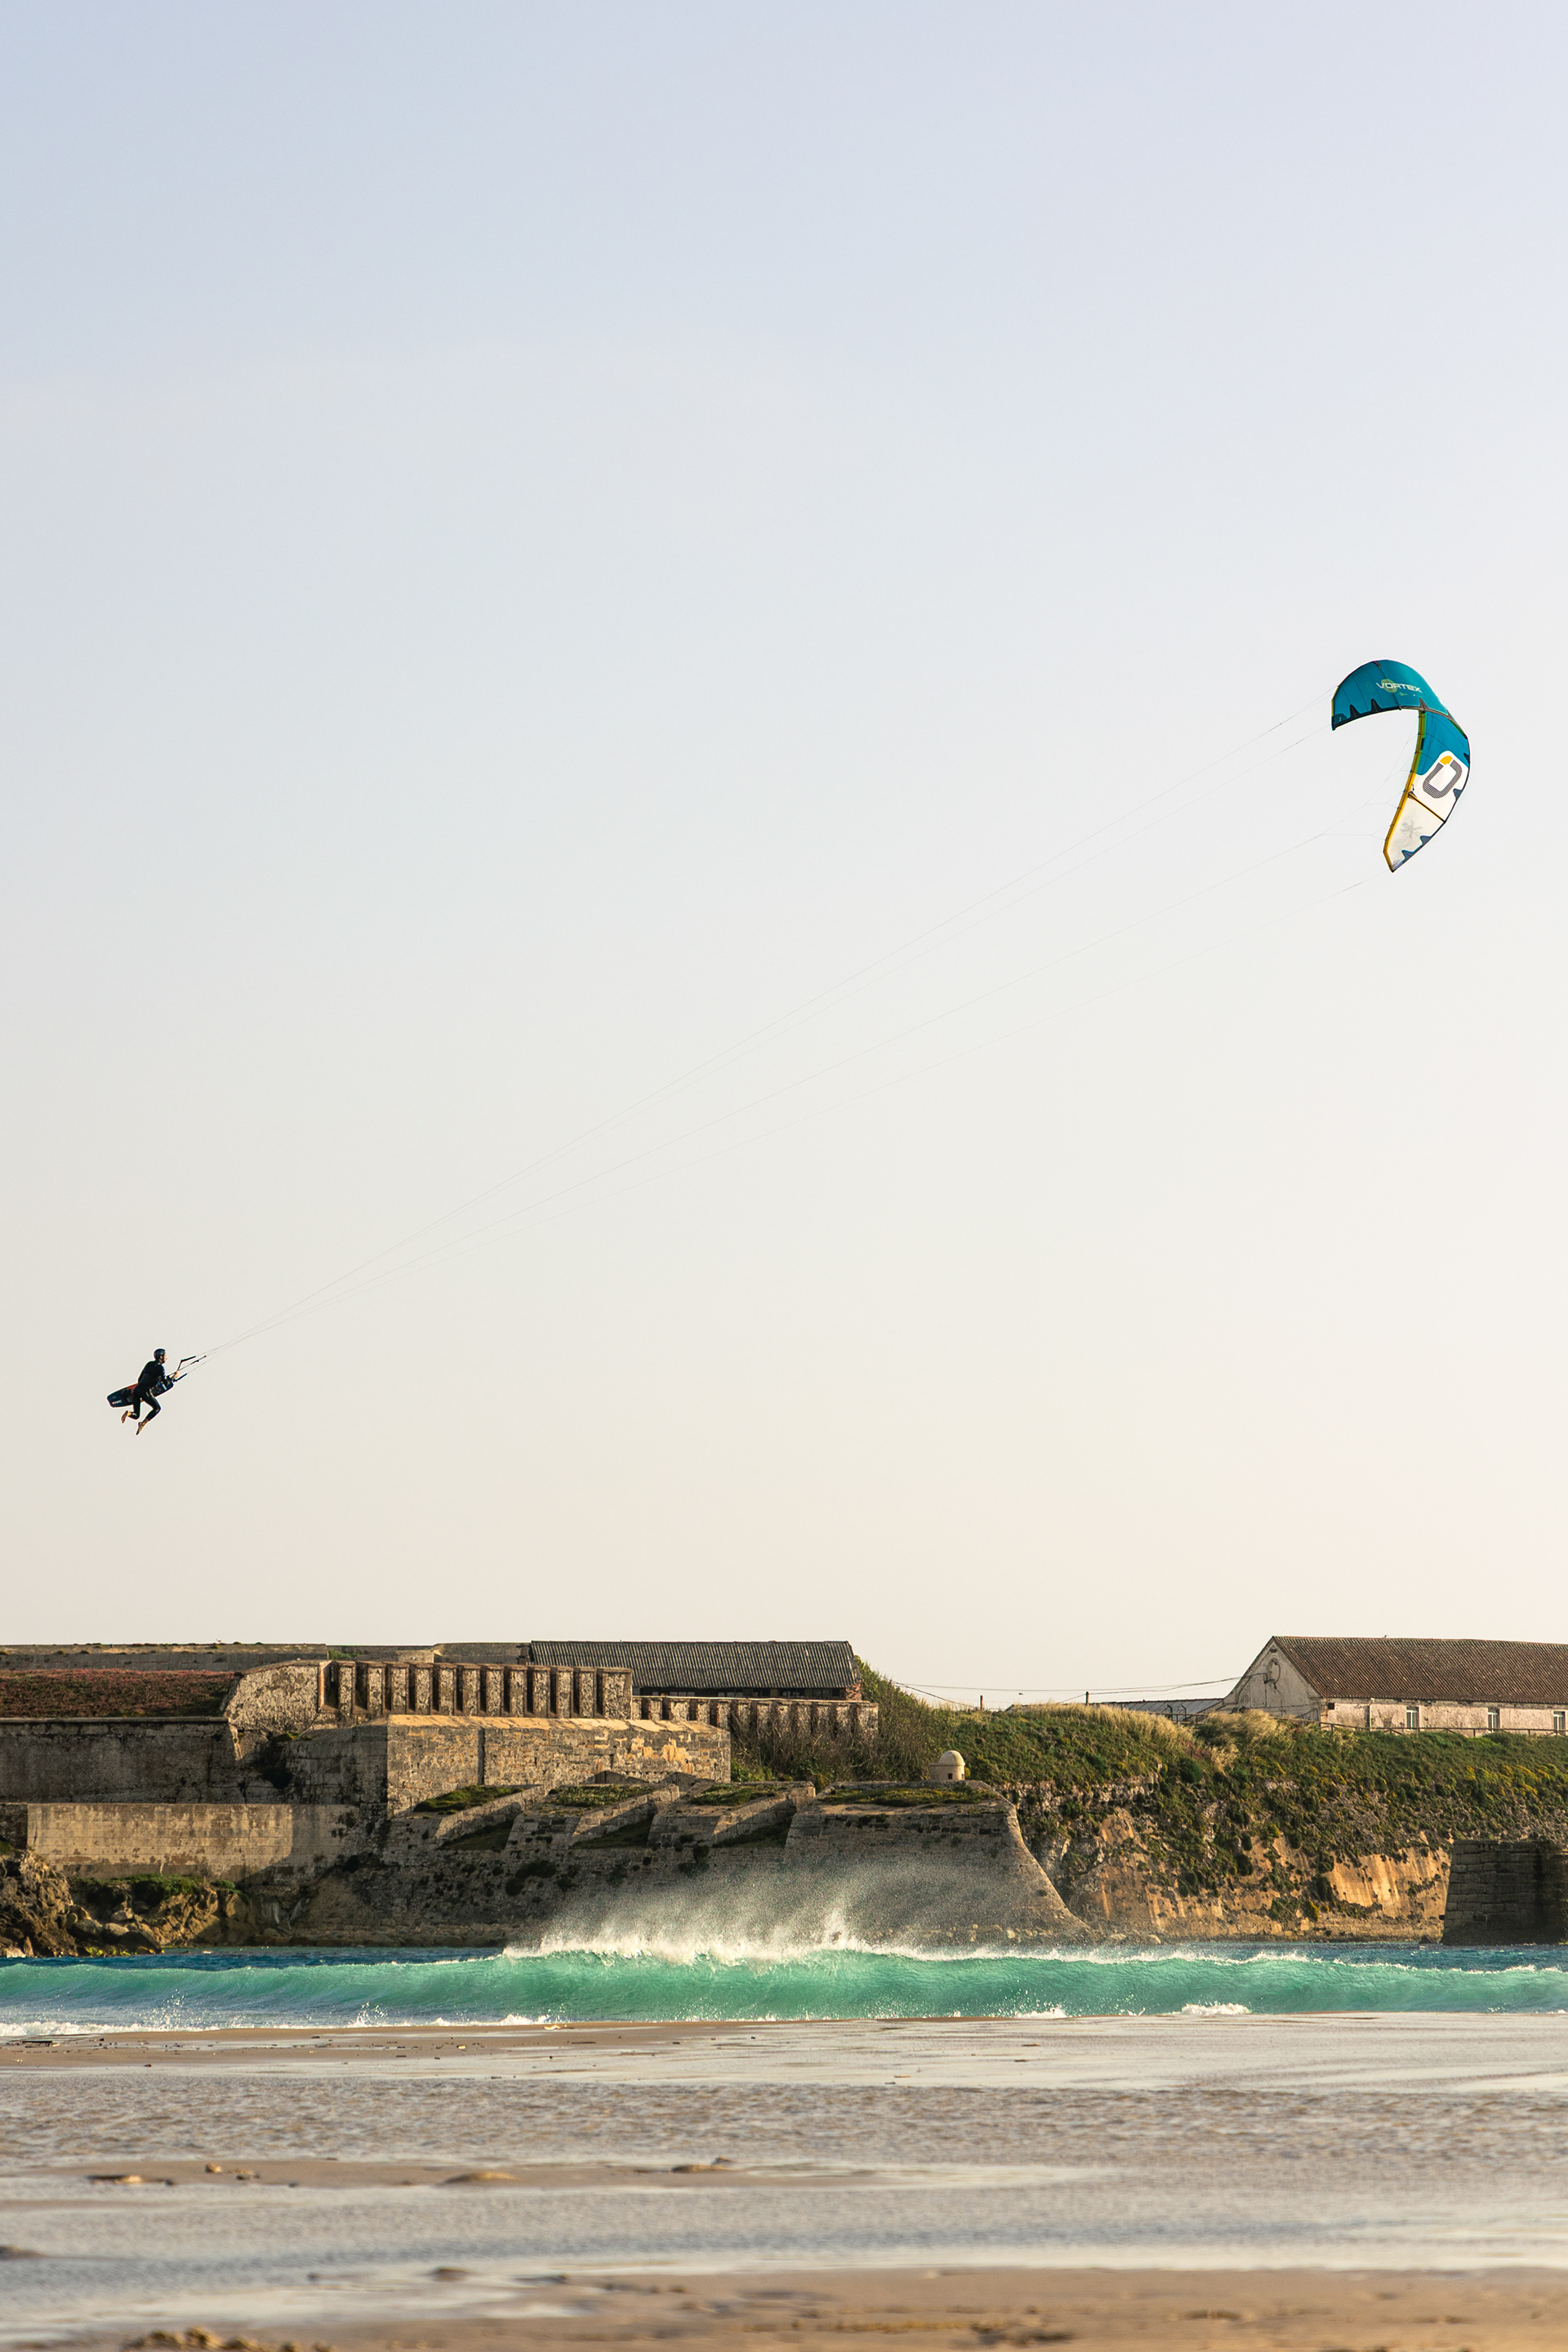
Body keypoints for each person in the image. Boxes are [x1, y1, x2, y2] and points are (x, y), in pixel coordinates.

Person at [122, 1348, 177, 1433]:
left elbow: (139, 1379)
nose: (167, 1358)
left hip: (137, 1389)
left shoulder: (149, 1364)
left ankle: (129, 1413)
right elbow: (165, 1383)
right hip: (146, 1391)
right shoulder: (160, 1369)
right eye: (165, 1356)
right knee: (157, 1408)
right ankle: (143, 1423)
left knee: (136, 1415)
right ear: (161, 1357)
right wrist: (174, 1377)